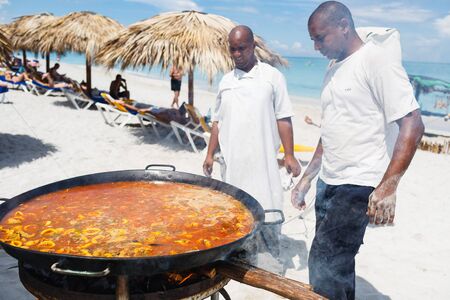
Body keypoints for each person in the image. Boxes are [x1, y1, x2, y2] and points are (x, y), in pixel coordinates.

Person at [291, 2, 424, 299]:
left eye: (320, 38)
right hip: (329, 180)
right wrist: (307, 179)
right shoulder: (333, 68)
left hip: (359, 183)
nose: (315, 47)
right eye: (312, 39)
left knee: (325, 264)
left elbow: (413, 123)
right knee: (334, 264)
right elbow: (331, 130)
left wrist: (388, 186)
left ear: (343, 26)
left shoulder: (376, 61)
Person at [203, 25, 301, 262]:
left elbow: (283, 117)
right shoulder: (226, 81)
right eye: (233, 49)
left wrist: (289, 154)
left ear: (253, 47)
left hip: (263, 158)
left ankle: (268, 258)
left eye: (242, 48)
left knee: (266, 205)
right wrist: (209, 154)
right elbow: (217, 121)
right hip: (233, 159)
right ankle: (239, 254)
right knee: (236, 208)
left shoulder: (272, 77)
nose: (237, 54)